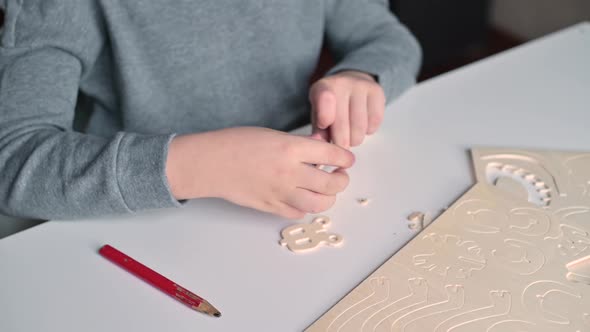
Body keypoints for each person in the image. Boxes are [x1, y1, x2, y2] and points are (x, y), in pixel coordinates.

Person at [0, 0, 421, 220]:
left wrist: (362, 76)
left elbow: (388, 39)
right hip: (145, 222)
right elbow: (14, 161)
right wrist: (203, 165)